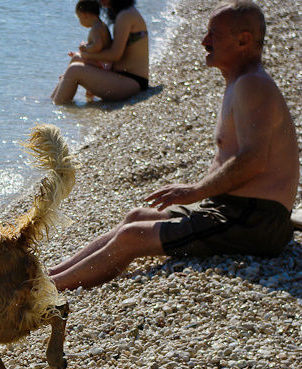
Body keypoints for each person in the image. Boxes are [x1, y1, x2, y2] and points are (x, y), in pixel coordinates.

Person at [51, 1, 299, 291]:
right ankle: (47, 276)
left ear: (243, 39)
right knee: (135, 217)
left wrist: (196, 191)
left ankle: (42, 293)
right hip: (234, 209)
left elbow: (254, 160)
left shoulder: (252, 84)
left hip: (254, 221)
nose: (204, 41)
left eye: (213, 34)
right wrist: (201, 194)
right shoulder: (241, 81)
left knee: (132, 238)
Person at [52, 0, 149, 104]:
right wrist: (82, 56)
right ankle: (52, 100)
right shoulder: (124, 13)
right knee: (75, 59)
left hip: (133, 81)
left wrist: (86, 55)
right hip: (122, 77)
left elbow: (115, 55)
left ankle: (58, 109)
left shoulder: (125, 15)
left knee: (74, 70)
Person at [69, 0, 113, 101]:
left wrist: (84, 48)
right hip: (106, 63)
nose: (80, 21)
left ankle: (67, 77)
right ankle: (90, 99)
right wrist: (83, 51)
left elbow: (97, 46)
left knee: (76, 59)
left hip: (104, 65)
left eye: (79, 18)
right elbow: (98, 47)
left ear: (85, 15)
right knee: (77, 57)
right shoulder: (100, 25)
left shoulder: (96, 28)